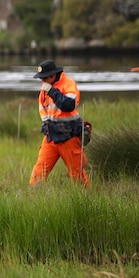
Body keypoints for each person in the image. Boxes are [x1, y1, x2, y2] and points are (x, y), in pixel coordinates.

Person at [28, 60, 90, 188]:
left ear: (53, 75)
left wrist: (52, 91)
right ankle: (32, 196)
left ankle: (85, 198)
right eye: (41, 78)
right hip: (51, 136)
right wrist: (46, 124)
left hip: (69, 136)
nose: (42, 81)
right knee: (39, 170)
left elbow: (68, 105)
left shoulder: (68, 84)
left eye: (44, 78)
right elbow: (42, 107)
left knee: (76, 173)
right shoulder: (45, 87)